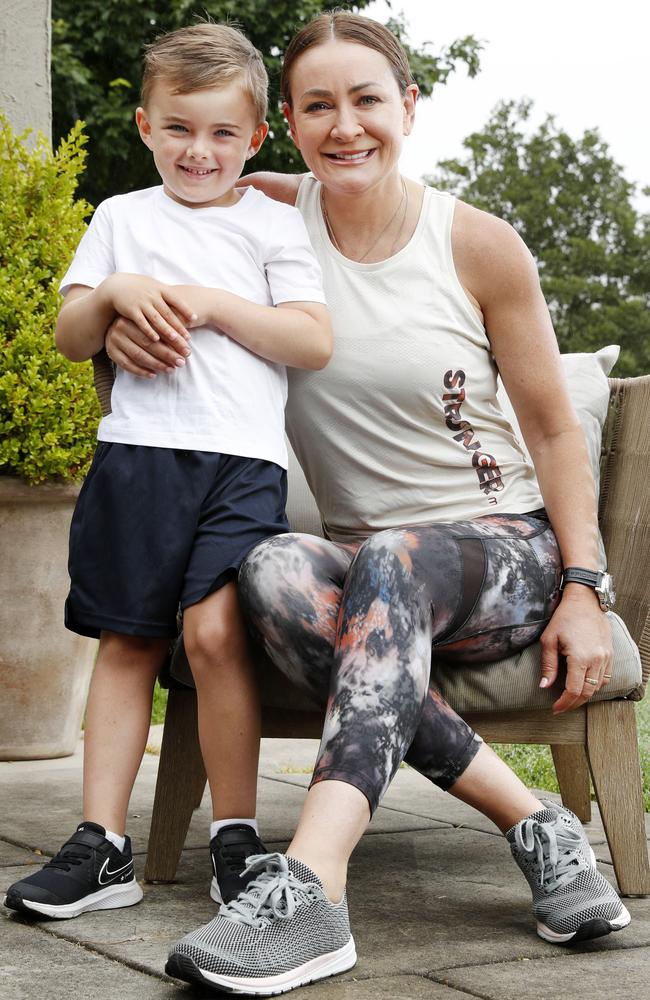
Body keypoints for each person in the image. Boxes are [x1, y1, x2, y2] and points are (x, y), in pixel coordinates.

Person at [97, 12, 627, 995]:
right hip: (364, 571)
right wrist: (125, 326)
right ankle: (536, 823)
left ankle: (311, 885)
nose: (345, 125)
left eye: (366, 99)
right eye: (318, 106)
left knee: (389, 557)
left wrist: (584, 585)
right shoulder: (251, 220)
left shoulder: (475, 245)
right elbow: (152, 286)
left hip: (501, 544)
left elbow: (554, 431)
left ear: (408, 107)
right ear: (287, 123)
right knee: (267, 567)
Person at [3, 22, 331, 922]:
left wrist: (214, 305)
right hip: (137, 460)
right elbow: (70, 338)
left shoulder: (269, 225)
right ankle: (102, 846)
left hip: (241, 466)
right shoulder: (120, 220)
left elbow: (313, 337)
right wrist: (112, 294)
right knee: (127, 642)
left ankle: (235, 839)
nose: (200, 150)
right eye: (180, 127)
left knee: (216, 635)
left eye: (224, 132)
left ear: (255, 138)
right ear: (146, 125)